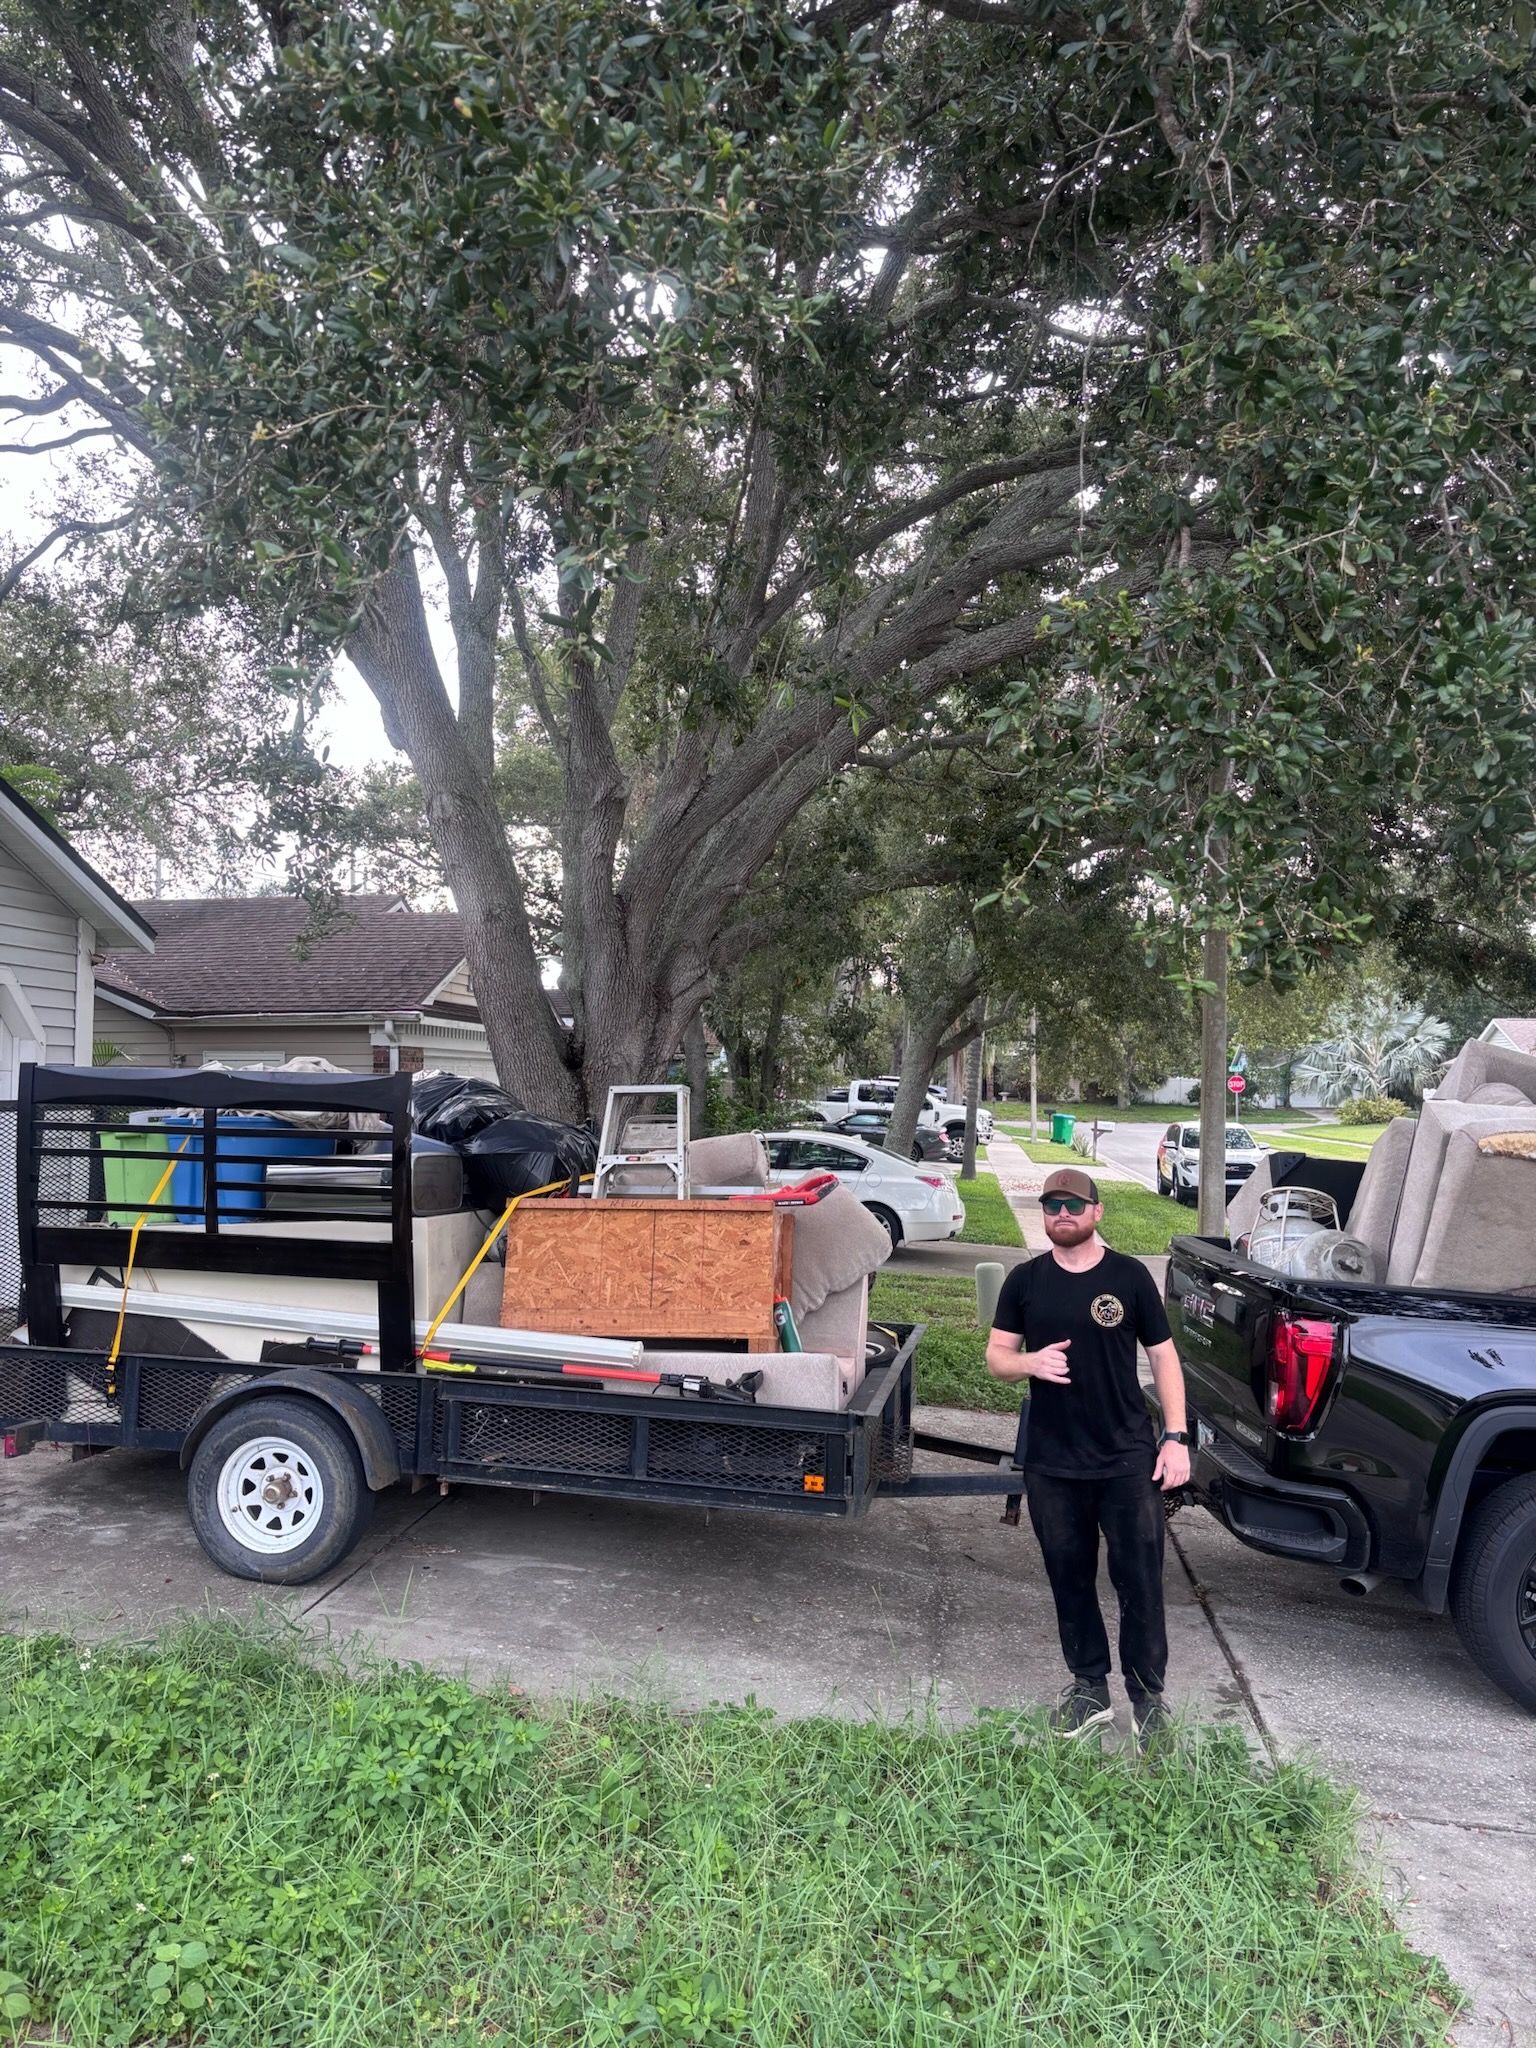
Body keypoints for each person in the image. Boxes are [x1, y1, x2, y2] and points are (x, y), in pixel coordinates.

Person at [986, 1166, 1190, 1749]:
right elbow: (998, 1356)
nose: (1062, 1214)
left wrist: (1174, 1437)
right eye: (1052, 1206)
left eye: (1074, 1205)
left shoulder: (1129, 1278)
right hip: (1052, 1461)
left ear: (1097, 1211)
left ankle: (1148, 1697)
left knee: (1140, 1581)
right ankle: (1089, 1688)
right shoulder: (1025, 1282)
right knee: (1068, 1579)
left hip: (1127, 1458)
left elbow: (1165, 1360)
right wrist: (1029, 1363)